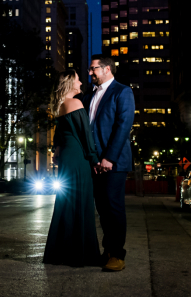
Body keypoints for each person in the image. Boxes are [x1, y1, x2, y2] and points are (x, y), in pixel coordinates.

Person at [43, 69, 101, 267]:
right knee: (81, 202)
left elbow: (59, 135)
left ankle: (61, 252)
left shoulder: (59, 105)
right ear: (69, 83)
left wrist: (56, 150)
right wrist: (94, 159)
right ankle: (82, 254)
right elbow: (86, 135)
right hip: (78, 158)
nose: (81, 84)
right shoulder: (75, 103)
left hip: (67, 157)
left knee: (66, 203)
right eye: (78, 80)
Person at [84, 54, 135, 272]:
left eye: (93, 68)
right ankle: (107, 251)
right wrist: (94, 159)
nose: (90, 73)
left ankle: (117, 254)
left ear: (107, 69)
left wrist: (109, 158)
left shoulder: (123, 91)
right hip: (95, 162)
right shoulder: (89, 96)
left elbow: (123, 126)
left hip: (114, 162)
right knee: (102, 209)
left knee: (114, 208)